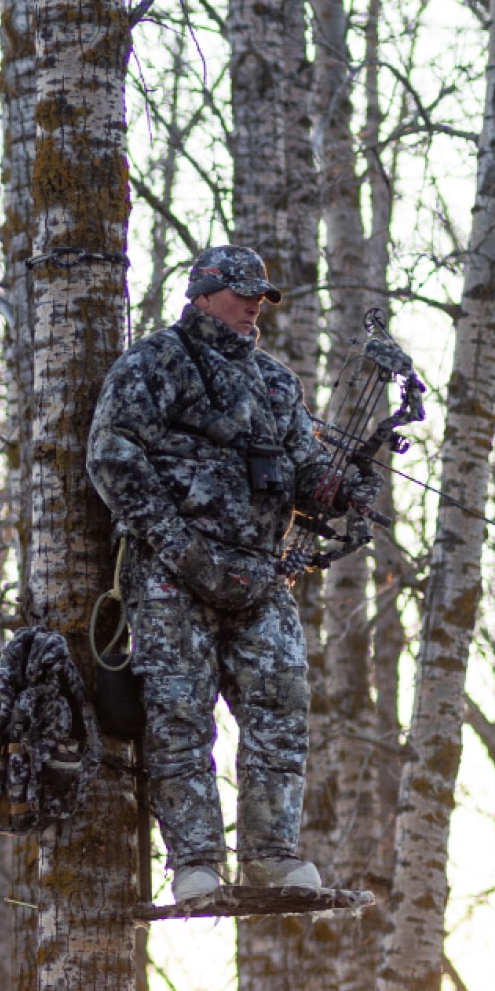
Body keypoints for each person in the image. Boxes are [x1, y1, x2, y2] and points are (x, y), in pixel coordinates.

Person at [85, 244, 376, 903]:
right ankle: (195, 866)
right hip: (171, 573)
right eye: (242, 293)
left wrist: (339, 487)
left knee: (281, 707)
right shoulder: (156, 362)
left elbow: (304, 466)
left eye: (261, 297)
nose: (253, 306)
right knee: (180, 715)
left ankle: (273, 856)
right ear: (205, 293)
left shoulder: (276, 383)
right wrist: (174, 541)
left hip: (258, 577)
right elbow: (111, 454)